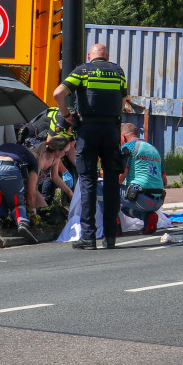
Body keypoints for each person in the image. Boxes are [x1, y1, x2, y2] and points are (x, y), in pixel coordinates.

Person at [53, 43, 134, 249]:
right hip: (111, 130)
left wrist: (67, 116)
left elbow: (58, 93)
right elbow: (123, 99)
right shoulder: (118, 72)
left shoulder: (82, 71)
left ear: (90, 56)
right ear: (107, 56)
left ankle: (88, 236)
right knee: (111, 182)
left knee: (88, 180)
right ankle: (110, 236)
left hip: (88, 130)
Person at [0, 141, 45, 244]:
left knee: (6, 189)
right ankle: (22, 223)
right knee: (17, 202)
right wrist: (32, 212)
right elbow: (31, 193)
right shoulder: (33, 162)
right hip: (7, 170)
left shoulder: (12, 147)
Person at [118, 123, 166, 235]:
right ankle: (149, 217)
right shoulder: (154, 149)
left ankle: (114, 226)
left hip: (139, 197)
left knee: (106, 188)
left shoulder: (128, 147)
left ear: (123, 136)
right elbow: (165, 181)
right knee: (125, 206)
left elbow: (120, 177)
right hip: (158, 200)